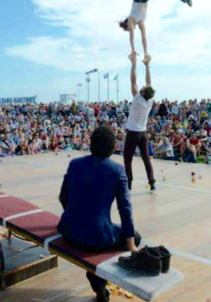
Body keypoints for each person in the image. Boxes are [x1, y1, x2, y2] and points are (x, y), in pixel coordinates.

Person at [58, 126, 141, 302]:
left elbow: (62, 197)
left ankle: (98, 280)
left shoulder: (74, 164)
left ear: (91, 144)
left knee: (109, 231)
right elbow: (125, 209)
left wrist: (76, 215)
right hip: (96, 237)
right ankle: (99, 279)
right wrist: (131, 245)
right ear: (112, 148)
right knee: (135, 237)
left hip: (68, 231)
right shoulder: (117, 170)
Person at [119, 0, 192, 59]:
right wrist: (145, 53)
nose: (131, 30)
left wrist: (133, 49)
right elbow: (143, 37)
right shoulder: (140, 22)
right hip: (144, 0)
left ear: (127, 25)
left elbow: (132, 36)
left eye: (128, 29)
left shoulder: (131, 19)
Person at [123, 53, 156, 191]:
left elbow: (133, 80)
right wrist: (147, 66)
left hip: (133, 133)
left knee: (127, 158)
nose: (141, 87)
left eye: (142, 89)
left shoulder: (137, 99)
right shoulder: (149, 101)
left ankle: (129, 182)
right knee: (146, 158)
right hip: (143, 132)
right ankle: (152, 181)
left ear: (142, 93)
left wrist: (133, 64)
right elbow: (149, 82)